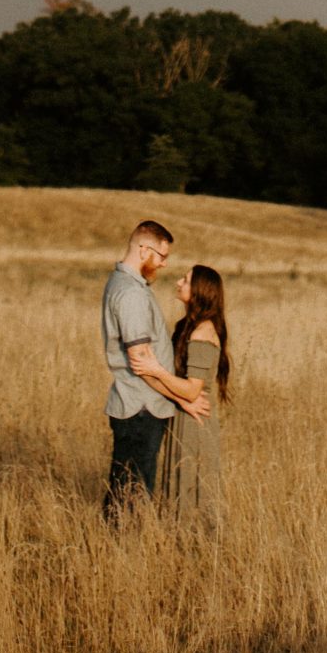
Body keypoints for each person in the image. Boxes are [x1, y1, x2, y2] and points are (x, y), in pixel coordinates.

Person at [99, 219, 210, 517]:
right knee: (132, 495)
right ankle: (121, 554)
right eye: (162, 256)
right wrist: (183, 397)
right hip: (140, 408)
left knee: (126, 488)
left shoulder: (127, 284)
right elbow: (142, 365)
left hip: (139, 405)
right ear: (144, 249)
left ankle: (115, 550)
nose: (163, 264)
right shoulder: (132, 294)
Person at [158, 263, 229, 525]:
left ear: (200, 291)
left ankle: (198, 547)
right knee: (180, 479)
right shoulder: (189, 326)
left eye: (186, 280)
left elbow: (192, 389)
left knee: (193, 483)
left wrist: (155, 371)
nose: (178, 282)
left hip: (195, 420)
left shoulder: (203, 333)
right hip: (184, 415)